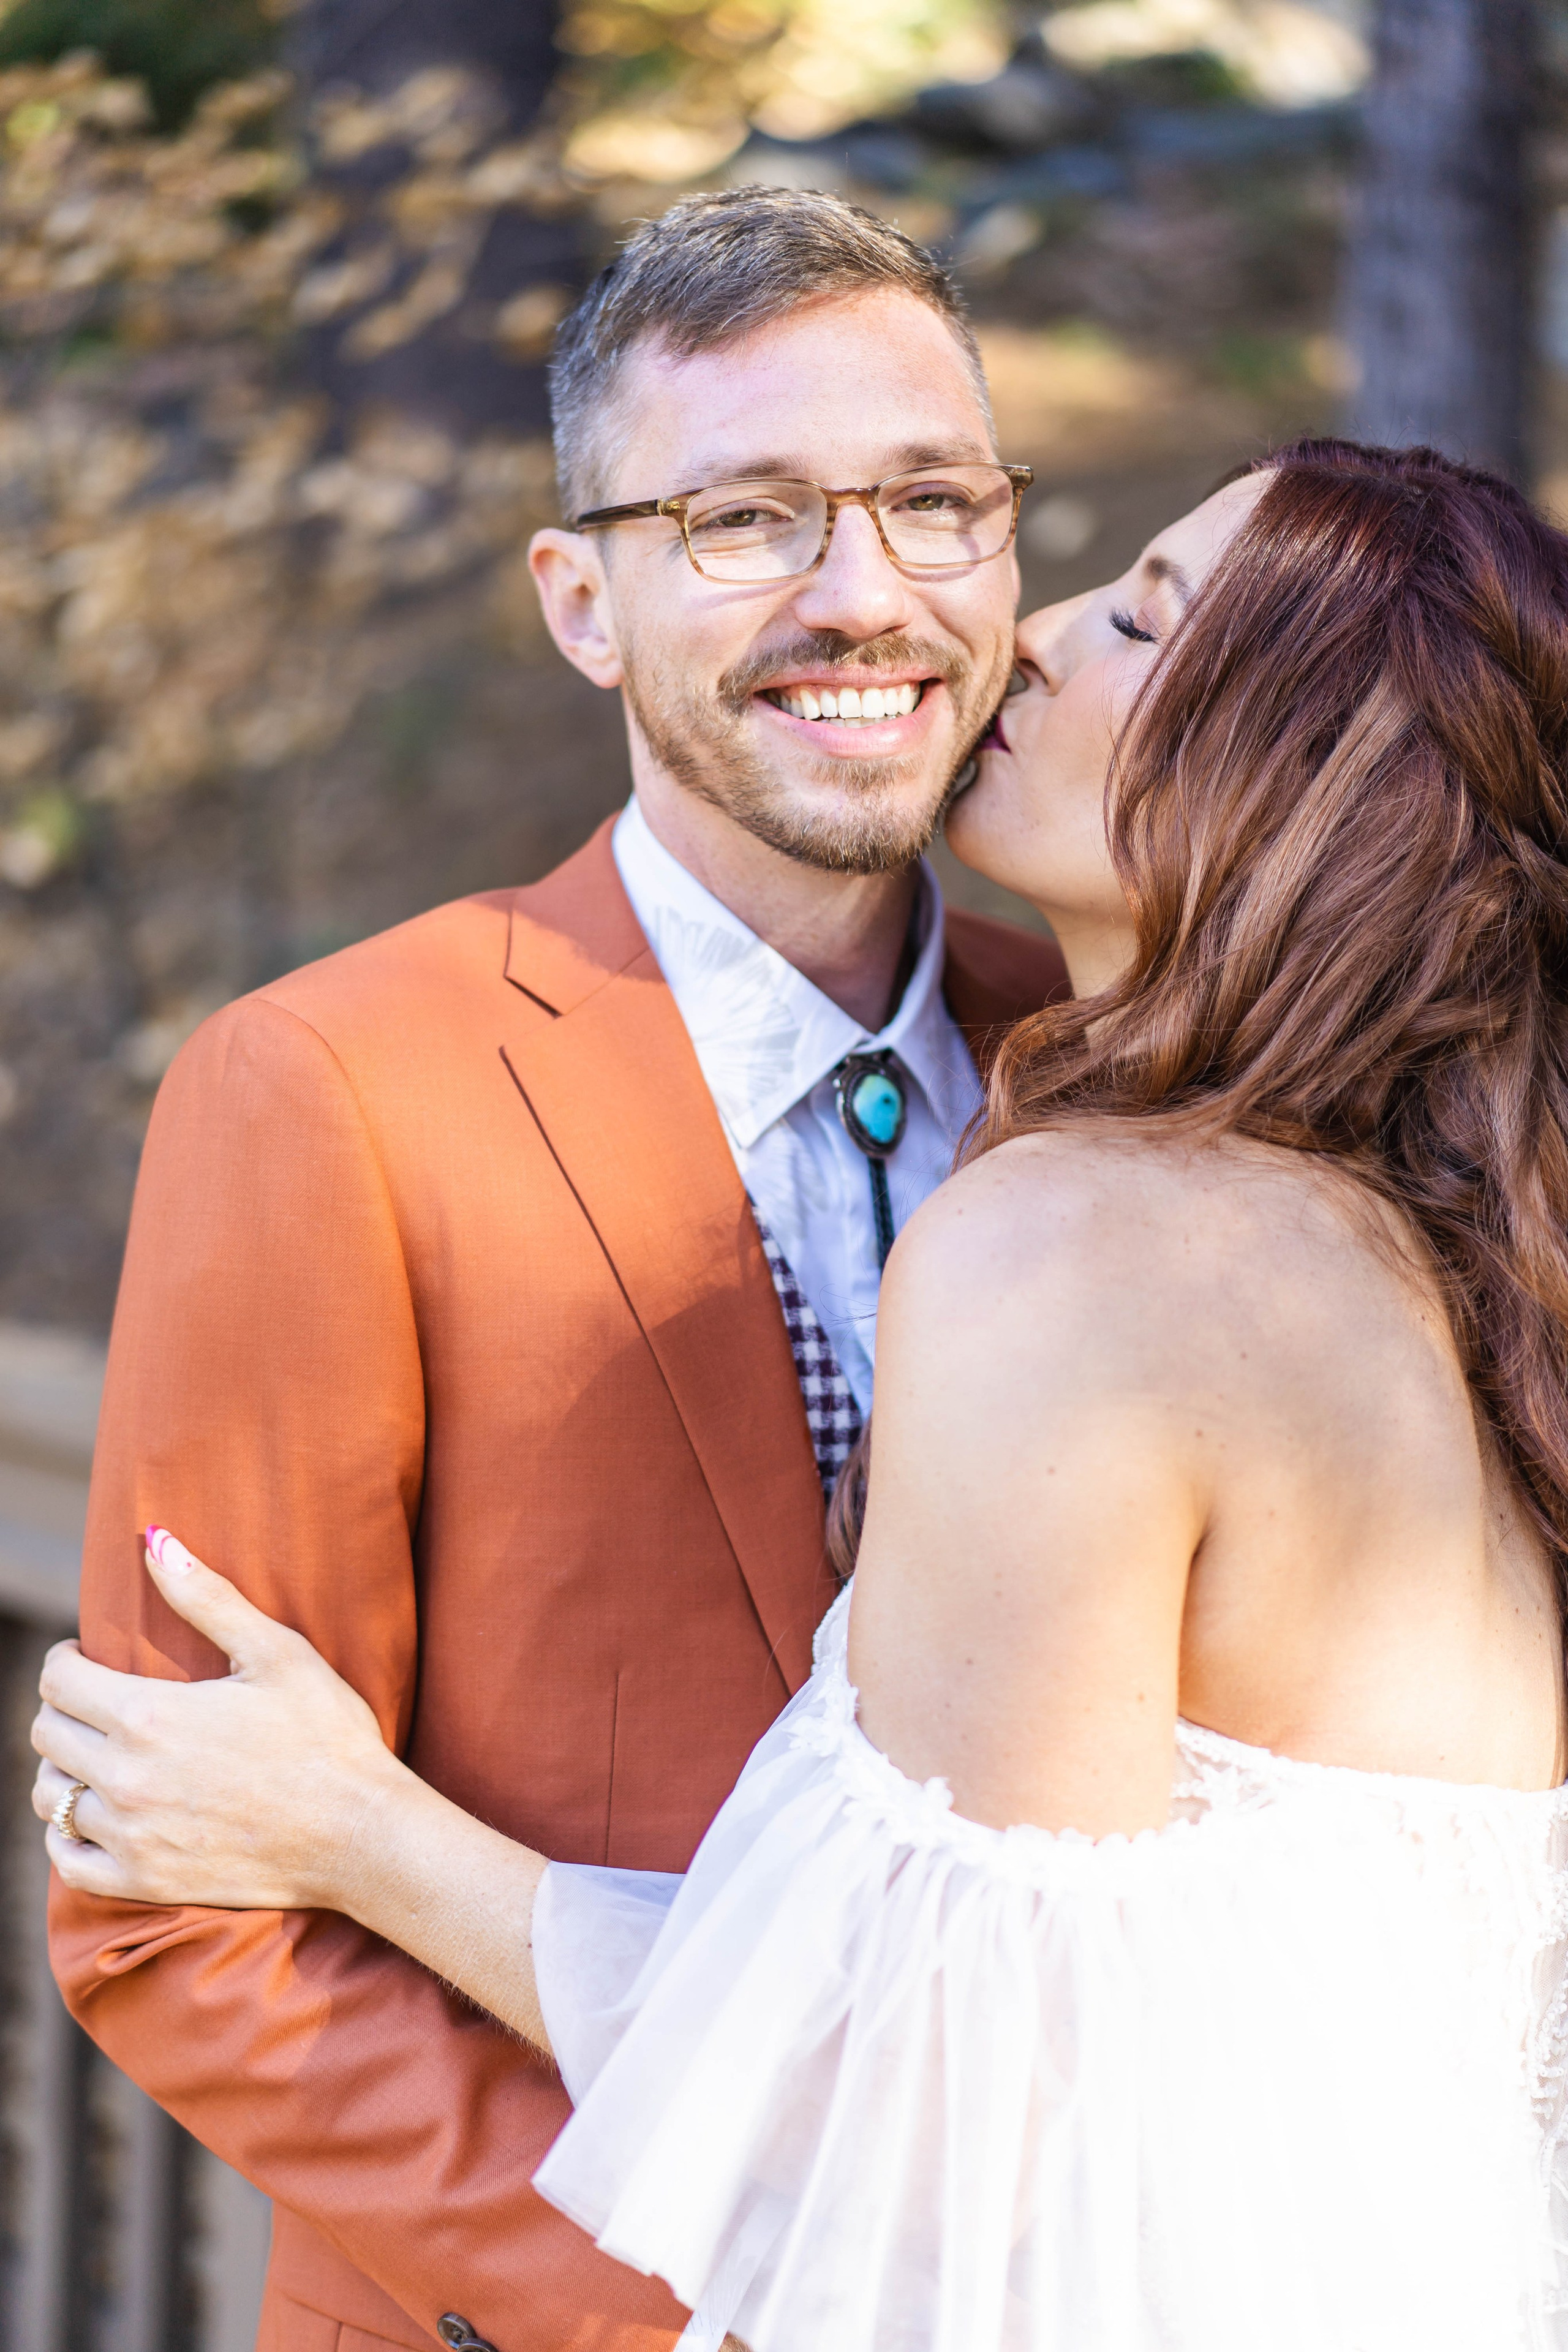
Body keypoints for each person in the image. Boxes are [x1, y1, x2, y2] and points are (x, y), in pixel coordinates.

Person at [37, 438, 1568, 2350]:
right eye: (743, 518)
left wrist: (363, 1835)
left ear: (1300, 774)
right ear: (581, 595)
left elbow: (945, 2099)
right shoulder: (1446, 1253)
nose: (1029, 637)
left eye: (1140, 617)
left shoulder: (1085, 1240)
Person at [42, 187, 1065, 2352]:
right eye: (746, 521)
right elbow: (172, 1924)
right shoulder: (324, 1089)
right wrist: (723, 2309)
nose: (862, 596)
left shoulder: (1120, 1060)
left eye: (929, 503)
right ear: (579, 600)